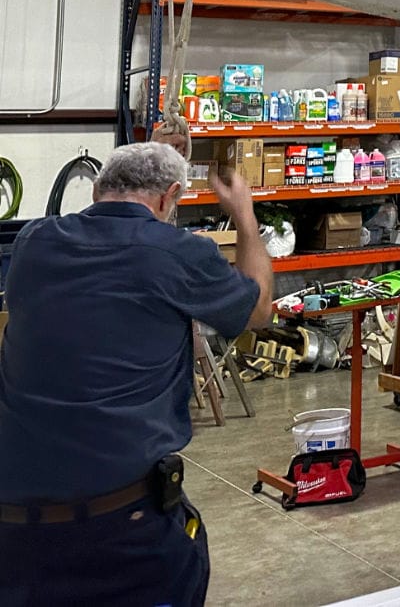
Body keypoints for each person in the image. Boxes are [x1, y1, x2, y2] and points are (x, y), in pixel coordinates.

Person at [0, 142, 272, 606]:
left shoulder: (34, 242)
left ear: (101, 188)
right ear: (168, 197)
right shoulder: (177, 252)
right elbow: (259, 310)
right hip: (119, 530)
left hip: (13, 526)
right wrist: (244, 215)